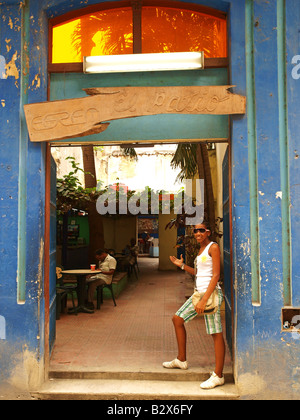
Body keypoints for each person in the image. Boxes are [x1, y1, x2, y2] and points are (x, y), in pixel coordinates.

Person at [164, 221, 226, 390]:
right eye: (195, 231)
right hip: (199, 294)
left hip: (210, 294)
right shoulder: (200, 250)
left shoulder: (213, 247)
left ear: (208, 232)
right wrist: (182, 266)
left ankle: (218, 375)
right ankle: (181, 359)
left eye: (201, 231)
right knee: (177, 319)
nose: (197, 233)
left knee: (215, 332)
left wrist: (205, 299)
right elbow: (199, 273)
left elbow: (216, 275)